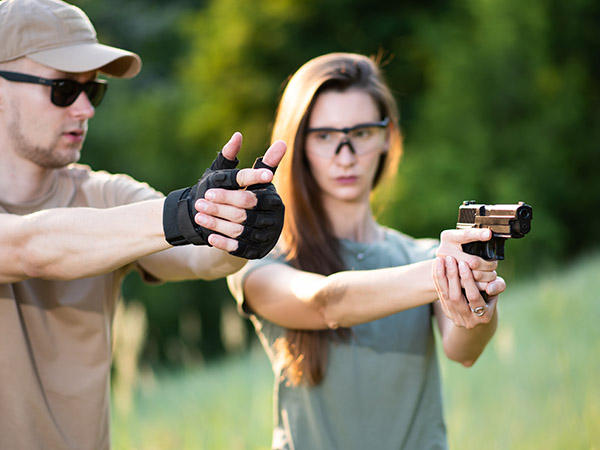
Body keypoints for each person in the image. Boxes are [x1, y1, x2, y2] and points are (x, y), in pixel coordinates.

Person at [0, 0, 285, 449]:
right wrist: (185, 213)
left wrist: (235, 224)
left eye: (92, 91)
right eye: (61, 90)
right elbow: (26, 248)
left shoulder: (106, 195)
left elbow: (199, 257)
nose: (84, 109)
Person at [227, 52, 505, 450]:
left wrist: (479, 294)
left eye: (361, 133)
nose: (346, 155)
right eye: (324, 136)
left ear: (386, 137)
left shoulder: (419, 254)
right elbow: (326, 303)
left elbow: (463, 349)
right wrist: (442, 271)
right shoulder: (262, 259)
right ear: (300, 146)